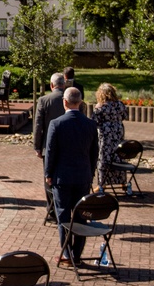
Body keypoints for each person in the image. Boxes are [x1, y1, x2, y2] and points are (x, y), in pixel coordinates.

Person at [44, 87, 99, 265]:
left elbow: (51, 152)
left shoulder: (57, 124)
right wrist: (90, 173)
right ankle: (77, 254)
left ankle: (66, 254)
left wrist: (48, 174)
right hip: (82, 176)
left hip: (62, 177)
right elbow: (94, 153)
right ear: (80, 103)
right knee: (81, 216)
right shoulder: (90, 124)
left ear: (65, 102)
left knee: (63, 216)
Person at [92, 83, 128, 191]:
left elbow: (94, 121)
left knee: (104, 158)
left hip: (105, 135)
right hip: (118, 133)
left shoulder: (100, 107)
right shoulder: (120, 104)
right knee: (118, 156)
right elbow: (125, 116)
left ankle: (102, 183)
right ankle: (122, 181)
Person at [33, 73, 66, 159]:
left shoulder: (43, 100)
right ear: (64, 85)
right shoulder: (71, 99)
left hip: (48, 145)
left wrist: (37, 147)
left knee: (48, 172)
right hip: (68, 146)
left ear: (51, 85)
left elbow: (38, 125)